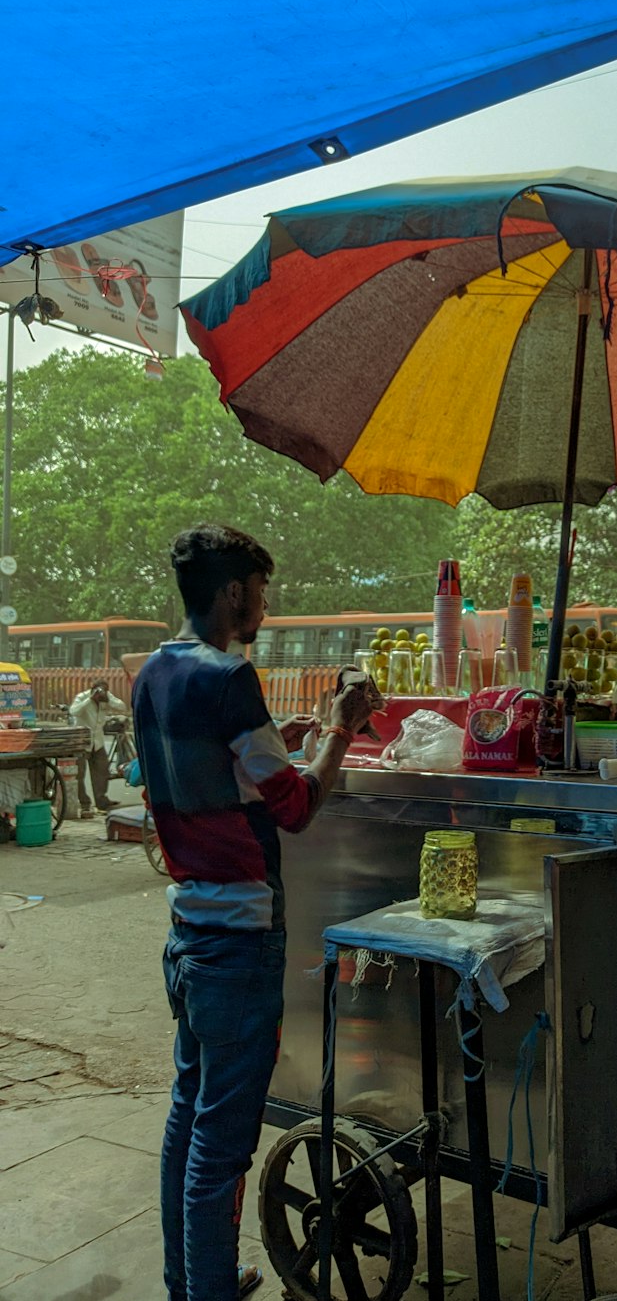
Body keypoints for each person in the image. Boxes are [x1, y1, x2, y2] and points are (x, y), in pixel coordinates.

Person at [132, 524, 376, 1301]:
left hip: (187, 935)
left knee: (188, 1120)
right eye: (262, 591)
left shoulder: (153, 674)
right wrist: (341, 725)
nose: (266, 607)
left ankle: (189, 1281)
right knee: (223, 1143)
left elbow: (216, 771)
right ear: (234, 592)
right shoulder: (230, 677)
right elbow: (297, 806)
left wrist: (279, 743)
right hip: (238, 942)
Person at [69, 677, 128, 816]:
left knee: (102, 771)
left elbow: (122, 706)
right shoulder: (82, 697)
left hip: (98, 741)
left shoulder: (106, 697)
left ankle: (101, 801)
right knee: (79, 775)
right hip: (82, 741)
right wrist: (90, 699)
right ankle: (84, 804)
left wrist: (108, 698)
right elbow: (74, 711)